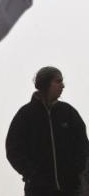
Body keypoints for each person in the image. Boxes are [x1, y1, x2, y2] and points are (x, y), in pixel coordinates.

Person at [6, 66, 89, 196]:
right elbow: (13, 150)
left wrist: (76, 171)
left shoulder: (69, 113)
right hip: (38, 190)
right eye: (58, 81)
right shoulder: (26, 114)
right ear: (45, 83)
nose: (63, 86)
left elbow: (83, 146)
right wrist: (31, 174)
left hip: (70, 189)